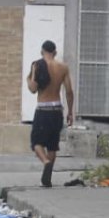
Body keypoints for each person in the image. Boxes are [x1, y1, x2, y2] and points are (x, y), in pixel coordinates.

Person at [27, 40, 74, 188]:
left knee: (36, 143)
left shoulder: (37, 65)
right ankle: (47, 178)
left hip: (43, 109)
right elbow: (69, 91)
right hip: (57, 110)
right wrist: (70, 112)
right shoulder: (63, 67)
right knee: (52, 146)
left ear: (42, 51)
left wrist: (31, 75)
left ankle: (46, 162)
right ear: (55, 52)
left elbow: (33, 89)